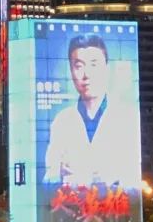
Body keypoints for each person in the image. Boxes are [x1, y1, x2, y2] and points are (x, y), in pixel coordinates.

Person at [43, 34, 140, 189]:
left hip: (115, 203)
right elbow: (47, 180)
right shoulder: (61, 121)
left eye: (94, 65)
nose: (86, 75)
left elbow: (138, 181)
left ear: (106, 68)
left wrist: (111, 176)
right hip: (74, 203)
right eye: (79, 66)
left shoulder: (128, 118)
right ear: (71, 71)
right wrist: (58, 173)